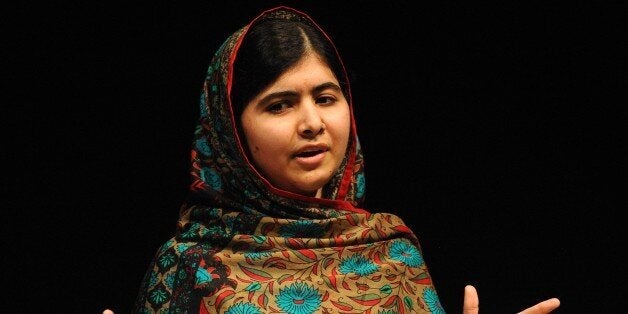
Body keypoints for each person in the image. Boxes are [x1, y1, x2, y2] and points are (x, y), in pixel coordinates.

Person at [114, 6, 560, 313]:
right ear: (230, 130)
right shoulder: (189, 266)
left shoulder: (393, 254)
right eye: (279, 105)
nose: (312, 123)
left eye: (326, 98)